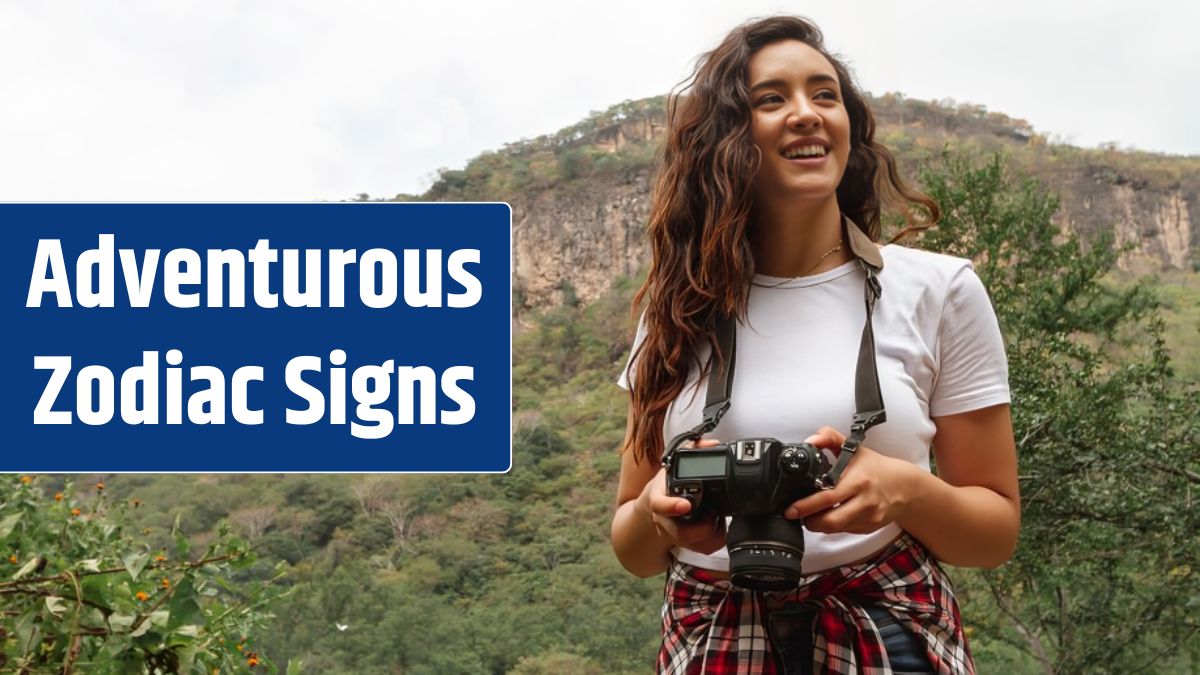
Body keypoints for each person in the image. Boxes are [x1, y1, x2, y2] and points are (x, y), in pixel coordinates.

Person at [610, 16, 1019, 675]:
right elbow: (630, 544)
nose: (806, 113)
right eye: (771, 99)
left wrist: (905, 491)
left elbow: (995, 530)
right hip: (711, 637)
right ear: (726, 138)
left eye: (824, 94)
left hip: (887, 628)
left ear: (848, 124)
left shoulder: (939, 289)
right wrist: (661, 512)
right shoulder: (677, 308)